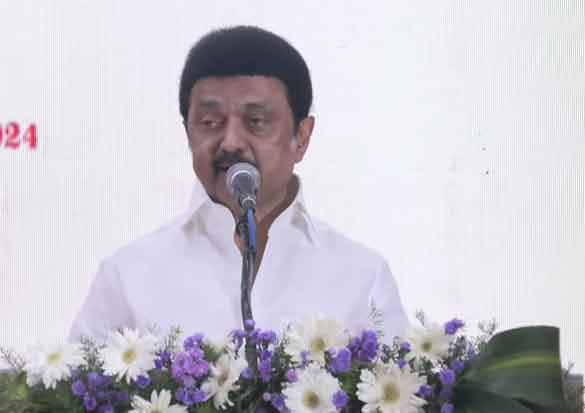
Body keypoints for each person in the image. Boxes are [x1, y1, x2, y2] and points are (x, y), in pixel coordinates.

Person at [69, 26, 408, 343]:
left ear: (302, 137)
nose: (230, 142)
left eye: (256, 121)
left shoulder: (362, 277)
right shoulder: (128, 275)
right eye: (210, 122)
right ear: (188, 133)